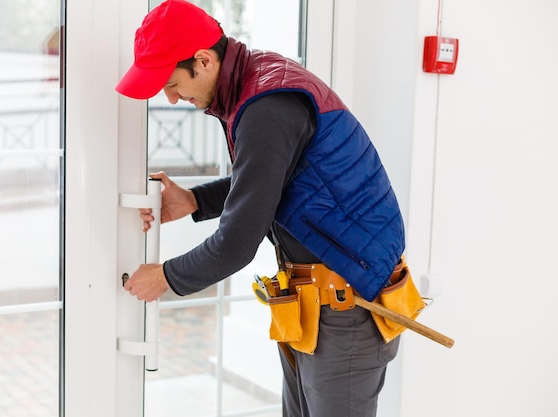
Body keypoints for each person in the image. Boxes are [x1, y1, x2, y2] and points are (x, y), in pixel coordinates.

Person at [116, 1, 405, 416]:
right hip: (314, 299)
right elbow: (273, 179)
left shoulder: (267, 105)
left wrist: (166, 277)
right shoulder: (257, 82)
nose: (173, 98)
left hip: (347, 302)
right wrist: (195, 200)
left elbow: (237, 244)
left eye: (172, 83)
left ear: (203, 60)